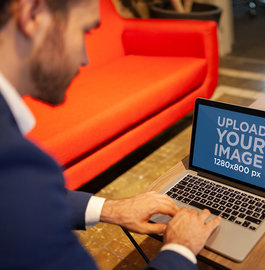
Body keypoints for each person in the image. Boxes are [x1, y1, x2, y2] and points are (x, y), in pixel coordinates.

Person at [0, 0, 221, 269]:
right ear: (33, 14)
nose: (85, 58)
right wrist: (180, 249)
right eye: (84, 31)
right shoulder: (16, 166)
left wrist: (110, 209)